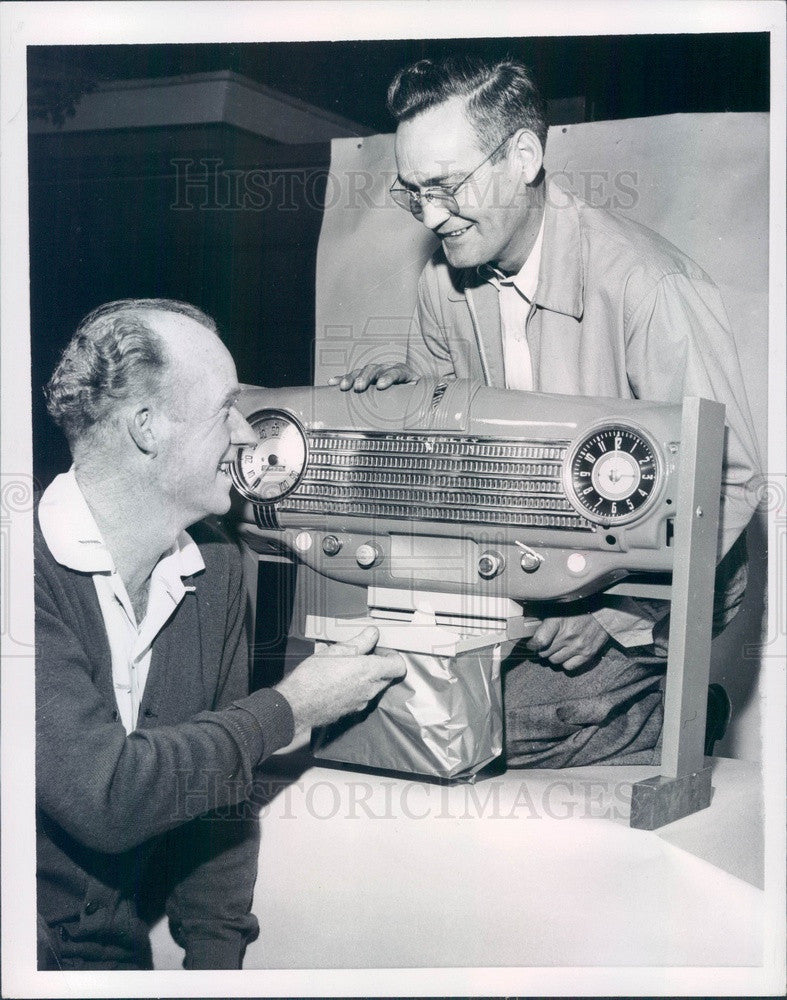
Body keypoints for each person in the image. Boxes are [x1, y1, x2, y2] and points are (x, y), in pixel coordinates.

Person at [332, 56, 761, 767]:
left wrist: (620, 616)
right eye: (413, 193)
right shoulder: (443, 282)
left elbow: (726, 484)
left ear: (524, 156)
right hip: (536, 561)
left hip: (667, 573)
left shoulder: (649, 286)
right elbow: (460, 442)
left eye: (445, 186)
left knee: (478, 732)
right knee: (394, 716)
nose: (432, 215)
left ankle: (663, 711)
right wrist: (409, 398)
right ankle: (617, 711)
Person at [35, 298, 405, 970]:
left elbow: (217, 798)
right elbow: (107, 796)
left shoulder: (217, 568)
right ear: (147, 428)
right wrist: (292, 709)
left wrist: (215, 966)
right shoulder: (21, 577)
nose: (246, 434)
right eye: (224, 410)